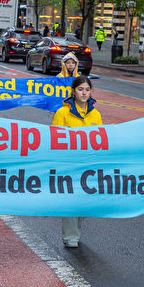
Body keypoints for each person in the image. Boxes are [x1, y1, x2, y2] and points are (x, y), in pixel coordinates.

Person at [51, 76, 103, 246]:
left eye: (87, 89)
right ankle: (71, 236)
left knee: (85, 201)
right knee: (71, 200)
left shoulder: (96, 114)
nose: (84, 93)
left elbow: (101, 140)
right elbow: (55, 138)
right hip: (69, 164)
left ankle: (76, 229)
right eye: (81, 89)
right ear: (73, 91)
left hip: (88, 165)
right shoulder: (62, 113)